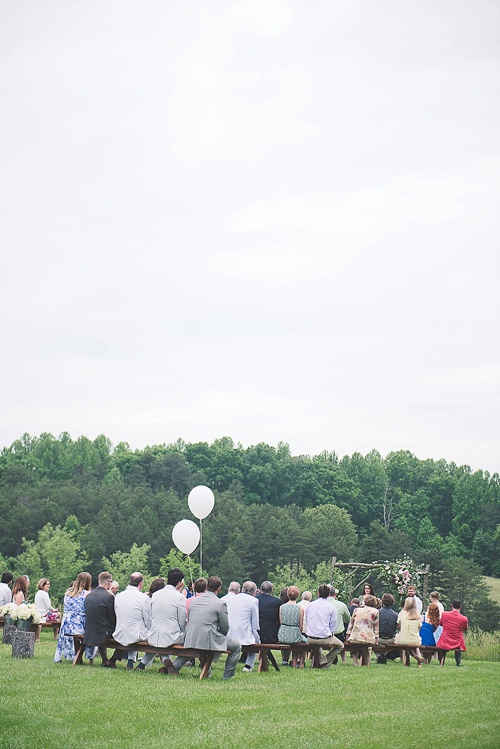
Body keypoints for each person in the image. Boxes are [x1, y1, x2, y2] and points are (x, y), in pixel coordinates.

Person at [174, 576, 242, 679]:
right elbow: (225, 627)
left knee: (196, 647)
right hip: (208, 638)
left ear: (206, 586)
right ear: (219, 588)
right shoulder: (220, 603)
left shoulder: (193, 601)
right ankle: (227, 676)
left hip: (190, 636)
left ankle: (174, 667)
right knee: (237, 647)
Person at [137, 567, 186, 673]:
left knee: (160, 642)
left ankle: (144, 664)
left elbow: (150, 615)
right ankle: (170, 665)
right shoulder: (179, 597)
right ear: (179, 582)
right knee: (185, 641)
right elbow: (182, 620)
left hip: (154, 633)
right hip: (171, 635)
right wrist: (183, 632)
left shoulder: (156, 595)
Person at [108, 573, 151, 669]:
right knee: (155, 639)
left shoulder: (118, 596)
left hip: (120, 632)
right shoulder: (144, 598)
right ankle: (141, 665)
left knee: (133, 629)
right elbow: (148, 620)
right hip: (135, 634)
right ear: (141, 583)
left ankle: (130, 662)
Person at [54, 572, 92, 662]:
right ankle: (89, 657)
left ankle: (66, 655)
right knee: (92, 631)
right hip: (78, 623)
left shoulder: (68, 592)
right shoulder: (86, 594)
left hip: (66, 623)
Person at [305, 584, 344, 668]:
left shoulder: (310, 605)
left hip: (310, 637)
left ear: (318, 593)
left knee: (317, 645)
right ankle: (325, 661)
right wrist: (330, 633)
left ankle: (321, 662)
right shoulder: (331, 607)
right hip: (324, 638)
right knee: (340, 645)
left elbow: (306, 619)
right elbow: (333, 624)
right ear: (329, 594)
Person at [82, 571, 117, 666]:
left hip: (89, 630)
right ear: (109, 583)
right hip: (102, 631)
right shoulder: (109, 597)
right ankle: (111, 660)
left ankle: (105, 659)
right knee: (125, 636)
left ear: (99, 581)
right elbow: (112, 617)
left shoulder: (88, 596)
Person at [226, 580, 260, 672]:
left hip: (230, 634)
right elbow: (255, 623)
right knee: (255, 643)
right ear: (254, 592)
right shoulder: (254, 601)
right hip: (244, 634)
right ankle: (248, 666)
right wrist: (257, 637)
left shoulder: (231, 599)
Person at [346, 594, 379, 666]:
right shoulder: (375, 611)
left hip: (355, 637)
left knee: (354, 646)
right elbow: (376, 627)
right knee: (367, 648)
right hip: (368, 638)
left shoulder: (356, 610)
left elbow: (351, 624)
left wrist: (348, 635)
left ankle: (355, 662)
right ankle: (366, 663)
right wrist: (376, 638)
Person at [256, 581, 282, 671]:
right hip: (271, 636)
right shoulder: (278, 602)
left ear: (260, 589)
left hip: (255, 634)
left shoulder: (254, 600)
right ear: (272, 590)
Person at [278, 585, 306, 667]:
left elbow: (281, 622)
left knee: (297, 640)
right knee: (303, 640)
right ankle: (300, 663)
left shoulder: (281, 607)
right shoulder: (300, 609)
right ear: (298, 595)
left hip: (283, 634)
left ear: (287, 595)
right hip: (295, 634)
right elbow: (300, 626)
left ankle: (292, 662)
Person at [437, 600, 468, 666]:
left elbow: (441, 624)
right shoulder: (464, 618)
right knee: (459, 645)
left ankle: (441, 662)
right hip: (457, 641)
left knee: (441, 645)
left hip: (445, 639)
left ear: (452, 606)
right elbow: (465, 629)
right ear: (460, 607)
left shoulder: (444, 614)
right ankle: (458, 663)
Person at [397, 596, 423, 667]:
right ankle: (419, 662)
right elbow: (418, 629)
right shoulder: (419, 616)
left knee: (405, 640)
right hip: (415, 640)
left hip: (403, 640)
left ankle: (408, 660)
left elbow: (399, 627)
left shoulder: (401, 614)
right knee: (415, 642)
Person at [327, 586, 350, 663]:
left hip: (322, 634)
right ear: (335, 595)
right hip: (338, 634)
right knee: (341, 635)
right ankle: (343, 660)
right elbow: (348, 619)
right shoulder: (342, 605)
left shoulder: (318, 604)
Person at [377, 593, 399, 664]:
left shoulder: (377, 612)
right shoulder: (395, 615)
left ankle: (380, 655)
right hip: (390, 639)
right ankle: (383, 655)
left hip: (378, 639)